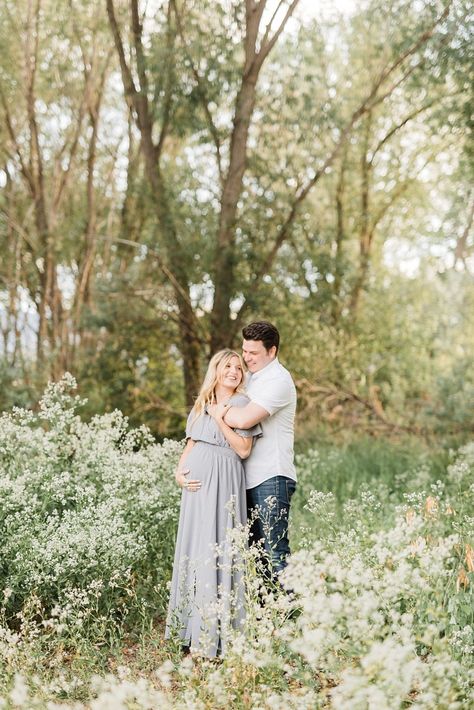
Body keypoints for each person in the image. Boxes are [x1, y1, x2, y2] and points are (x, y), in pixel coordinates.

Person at [165, 349, 262, 658]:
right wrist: (179, 472)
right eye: (228, 366)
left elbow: (243, 449)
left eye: (238, 367)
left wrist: (220, 420)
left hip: (224, 481)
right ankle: (189, 630)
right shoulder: (202, 404)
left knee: (216, 547)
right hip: (195, 487)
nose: (234, 371)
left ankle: (214, 637)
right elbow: (191, 444)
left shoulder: (242, 405)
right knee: (195, 548)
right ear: (216, 370)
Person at [208, 321, 296, 583]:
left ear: (272, 351)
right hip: (245, 479)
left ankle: (292, 616)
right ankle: (268, 620)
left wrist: (217, 411)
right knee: (256, 558)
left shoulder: (279, 380)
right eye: (245, 351)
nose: (246, 358)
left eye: (253, 353)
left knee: (275, 552)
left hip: (272, 477)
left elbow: (245, 420)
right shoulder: (252, 380)